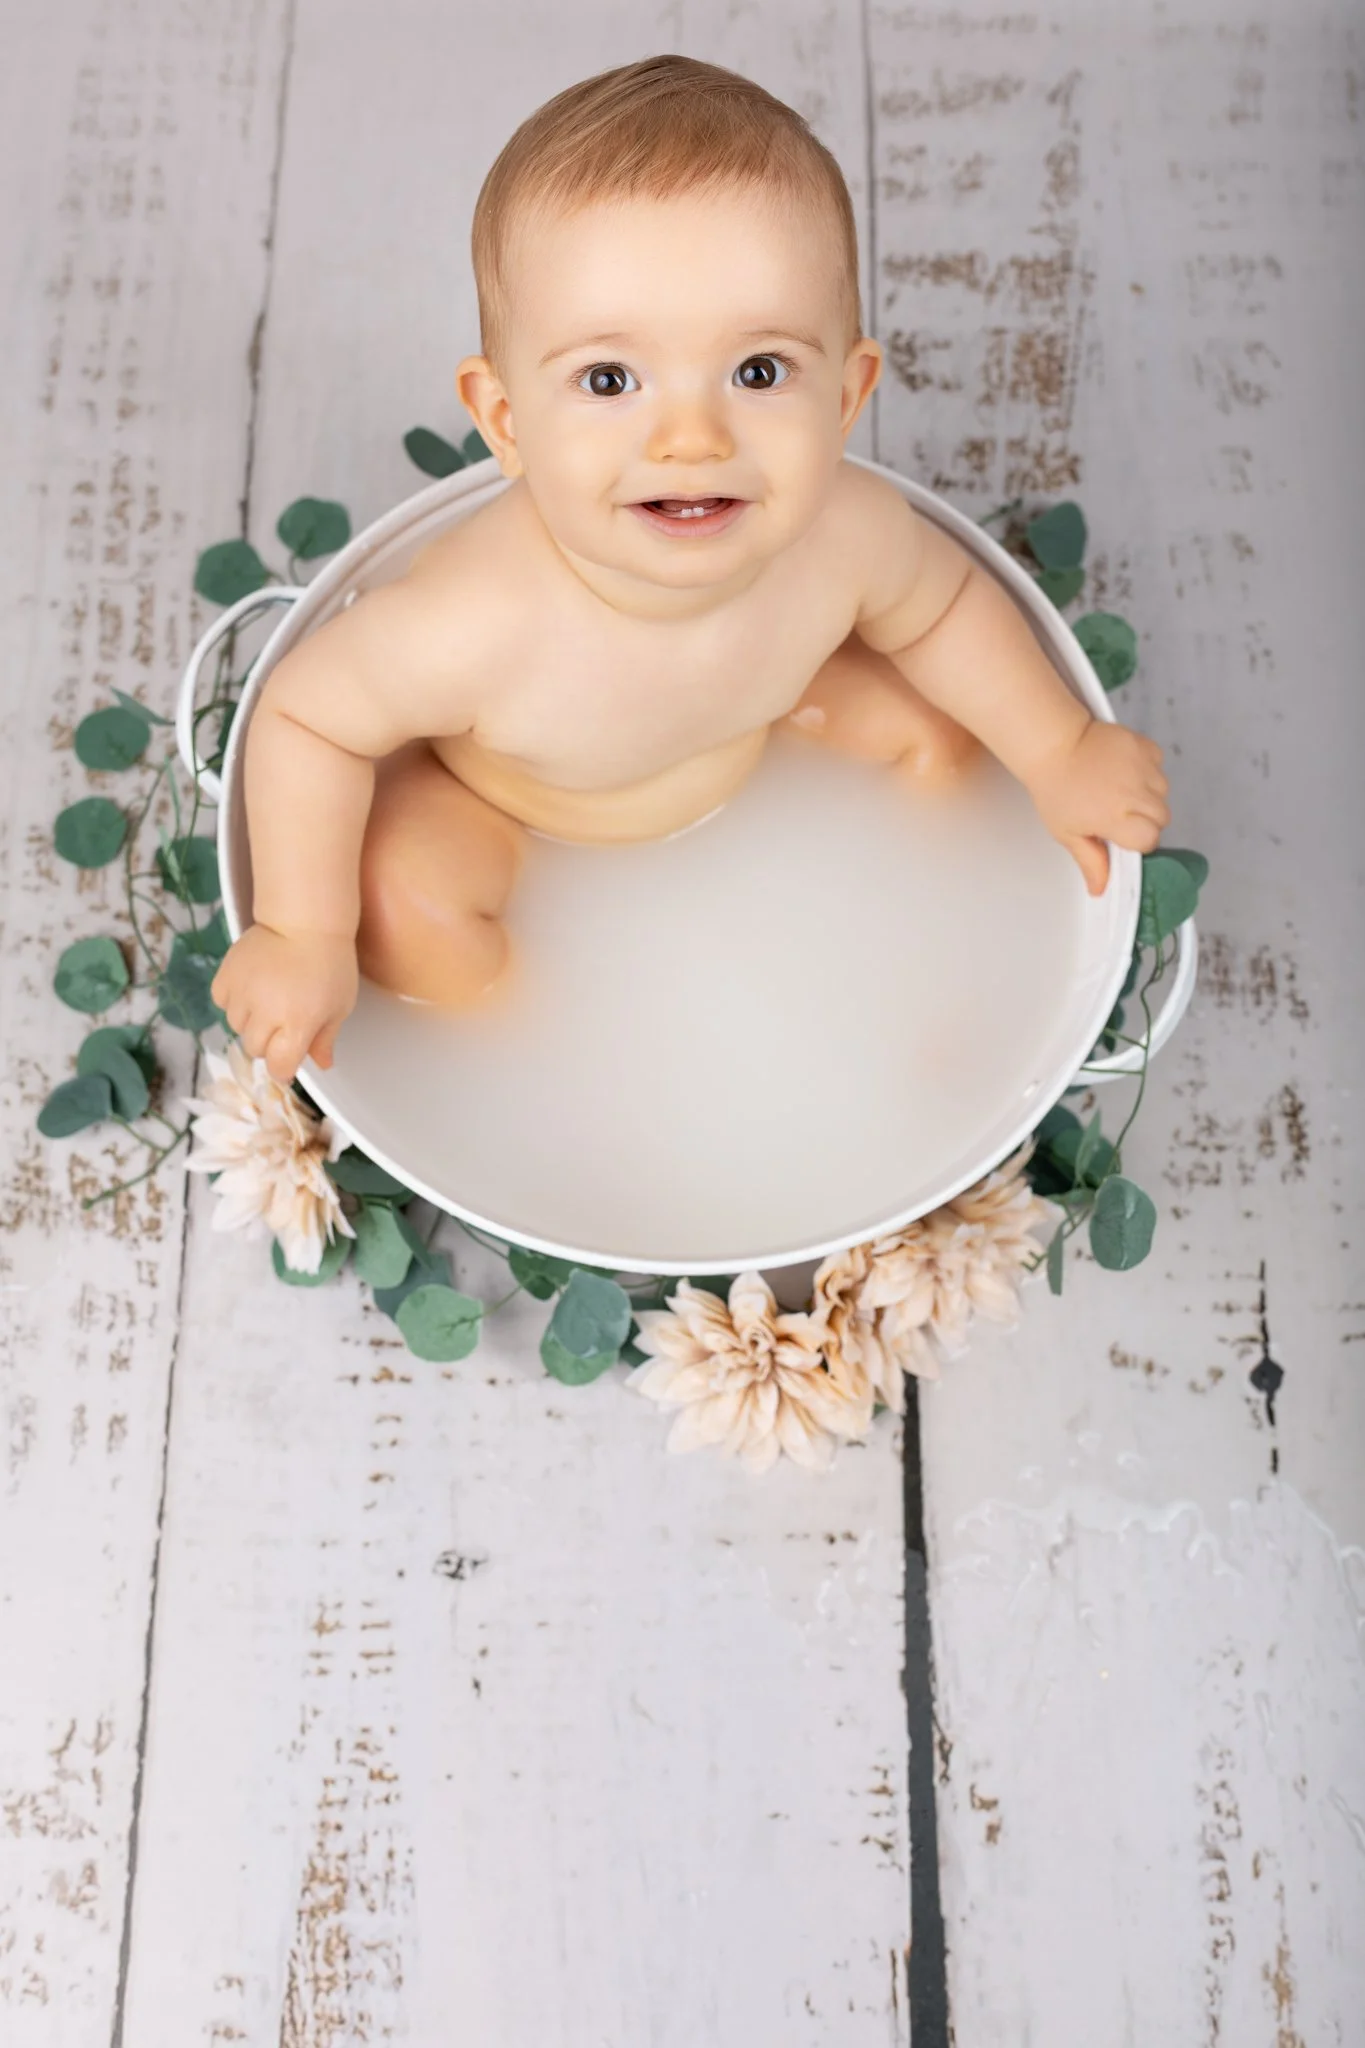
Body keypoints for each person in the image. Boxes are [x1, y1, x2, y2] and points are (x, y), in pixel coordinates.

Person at [212, 53, 1170, 1086]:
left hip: (754, 726)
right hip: (504, 801)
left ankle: (940, 970)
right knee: (410, 913)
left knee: (952, 728)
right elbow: (306, 716)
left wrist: (1059, 744)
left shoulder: (842, 536)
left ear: (846, 398)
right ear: (504, 419)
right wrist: (301, 928)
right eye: (609, 378)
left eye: (758, 371)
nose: (690, 436)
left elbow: (941, 607)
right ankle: (547, 1057)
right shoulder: (478, 620)